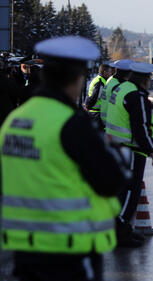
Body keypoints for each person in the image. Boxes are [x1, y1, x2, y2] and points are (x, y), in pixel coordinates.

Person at [0, 36, 133, 281]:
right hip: (70, 251)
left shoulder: (14, 121)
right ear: (77, 79)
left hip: (23, 250)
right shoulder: (71, 124)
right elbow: (113, 180)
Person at [105, 62, 153, 247]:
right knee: (130, 191)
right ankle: (120, 231)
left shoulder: (121, 88)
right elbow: (140, 127)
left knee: (121, 190)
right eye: (149, 79)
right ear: (145, 80)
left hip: (117, 147)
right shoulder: (137, 96)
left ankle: (123, 228)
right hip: (132, 149)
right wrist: (151, 150)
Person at [100, 59, 133, 125]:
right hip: (112, 121)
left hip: (106, 119)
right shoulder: (118, 86)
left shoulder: (111, 79)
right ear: (128, 73)